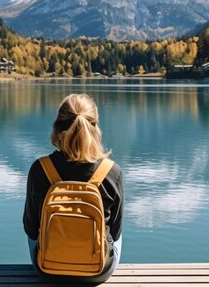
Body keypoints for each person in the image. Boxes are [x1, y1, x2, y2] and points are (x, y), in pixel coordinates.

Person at [23, 93, 123, 284]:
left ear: (57, 128)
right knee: (115, 237)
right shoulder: (112, 172)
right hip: (98, 272)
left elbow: (30, 227)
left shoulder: (40, 168)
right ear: (95, 129)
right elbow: (116, 232)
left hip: (48, 270)